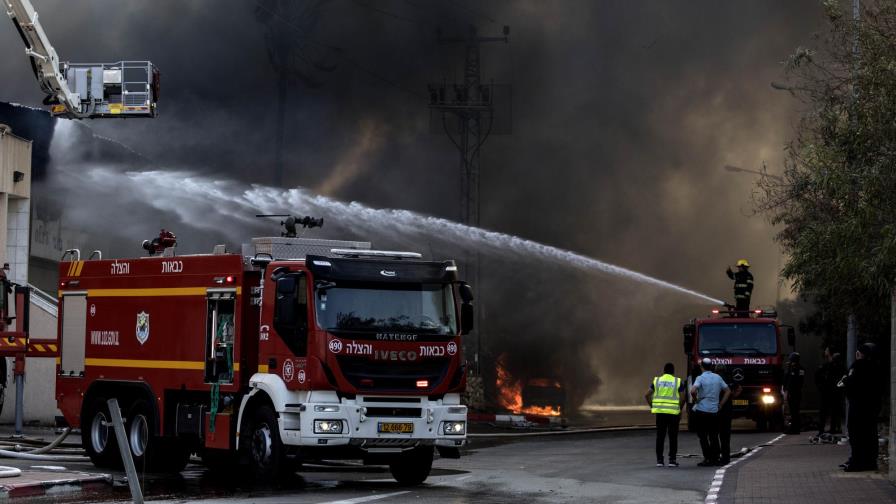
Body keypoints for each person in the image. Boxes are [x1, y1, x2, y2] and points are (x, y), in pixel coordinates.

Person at [840, 342, 882, 472]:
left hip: (858, 406)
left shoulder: (858, 365)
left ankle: (857, 461)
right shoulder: (877, 367)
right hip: (872, 407)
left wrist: (845, 382)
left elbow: (850, 382)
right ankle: (870, 461)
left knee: (856, 433)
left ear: (860, 353)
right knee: (870, 434)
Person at [690, 358, 730, 466]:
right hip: (714, 411)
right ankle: (715, 458)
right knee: (713, 435)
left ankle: (707, 458)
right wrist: (721, 404)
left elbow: (693, 391)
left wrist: (696, 400)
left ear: (701, 366)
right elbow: (728, 391)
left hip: (702, 411)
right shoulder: (718, 377)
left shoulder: (700, 378)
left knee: (703, 436)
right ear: (711, 366)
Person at [645, 362, 685, 467]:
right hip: (673, 414)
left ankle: (659, 460)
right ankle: (672, 460)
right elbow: (683, 397)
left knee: (660, 436)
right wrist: (679, 409)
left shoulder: (657, 380)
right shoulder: (677, 381)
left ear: (664, 371)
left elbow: (647, 395)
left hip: (660, 413)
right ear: (673, 372)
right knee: (673, 437)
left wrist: (653, 406)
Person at [715, 364, 742, 465]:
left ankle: (716, 456)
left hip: (717, 409)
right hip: (728, 410)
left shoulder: (716, 379)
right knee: (725, 436)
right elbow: (739, 389)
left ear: (716, 370)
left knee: (715, 434)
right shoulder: (730, 378)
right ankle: (726, 458)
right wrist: (732, 396)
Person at [816, 347, 843, 435]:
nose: (825, 351)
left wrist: (820, 387)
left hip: (827, 392)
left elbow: (817, 376)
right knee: (833, 411)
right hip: (833, 391)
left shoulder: (827, 365)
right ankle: (832, 429)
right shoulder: (838, 366)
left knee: (824, 412)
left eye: (826, 350)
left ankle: (822, 430)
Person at [782, 352, 805, 434]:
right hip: (793, 392)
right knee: (793, 411)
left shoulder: (798, 369)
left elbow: (796, 381)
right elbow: (786, 379)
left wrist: (789, 391)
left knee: (795, 411)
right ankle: (794, 428)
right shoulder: (793, 369)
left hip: (795, 392)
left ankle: (795, 429)